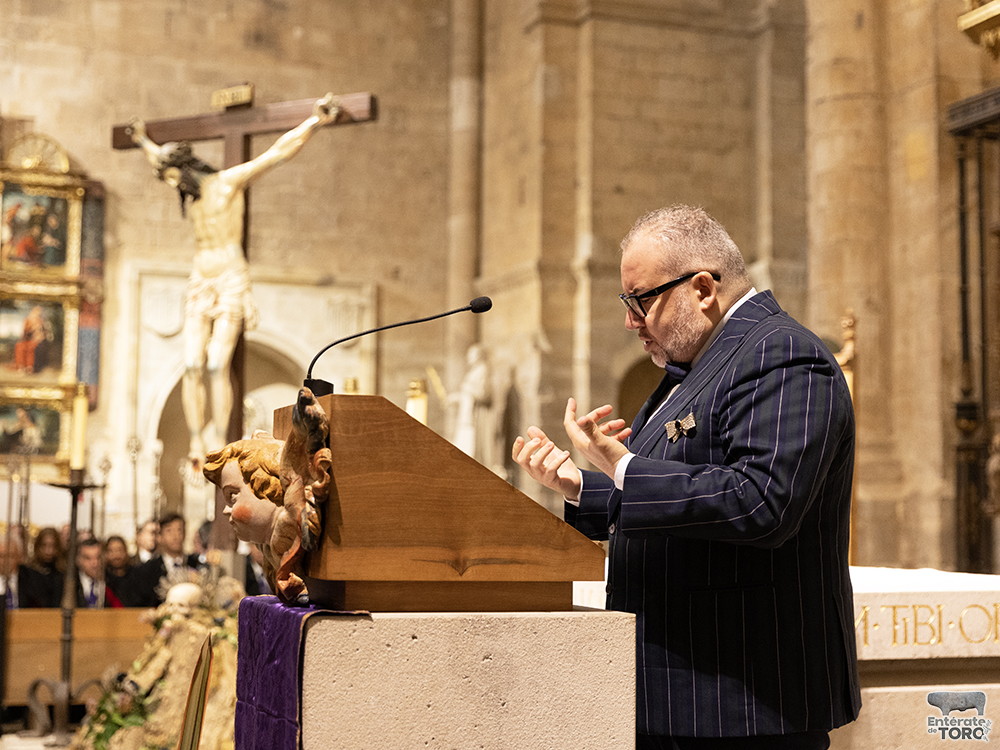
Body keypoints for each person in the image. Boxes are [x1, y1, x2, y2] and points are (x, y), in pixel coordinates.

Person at [512, 205, 860, 748]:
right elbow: (679, 489)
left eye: (641, 300)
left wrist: (622, 465)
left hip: (743, 698)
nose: (631, 321)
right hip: (684, 692)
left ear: (701, 288)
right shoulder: (703, 365)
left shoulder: (783, 355)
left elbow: (761, 502)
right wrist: (579, 485)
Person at [127, 94, 342, 471]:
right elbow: (157, 158)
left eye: (174, 177)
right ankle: (196, 439)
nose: (173, 185)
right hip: (200, 277)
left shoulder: (228, 183)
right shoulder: (191, 194)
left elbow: (275, 155)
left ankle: (219, 437)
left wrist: (314, 121)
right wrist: (142, 139)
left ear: (186, 168)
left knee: (215, 364)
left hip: (230, 277)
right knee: (191, 363)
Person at [126, 513, 190, 608]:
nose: (175, 536)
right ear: (159, 537)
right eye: (169, 531)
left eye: (179, 530)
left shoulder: (195, 565)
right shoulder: (145, 571)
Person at [18, 526, 64, 608]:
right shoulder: (27, 572)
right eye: (44, 545)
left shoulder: (63, 573)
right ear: (37, 546)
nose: (48, 551)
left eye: (52, 546)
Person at [75, 538, 122, 609]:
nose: (95, 563)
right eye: (88, 558)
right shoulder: (69, 583)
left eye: (98, 557)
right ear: (78, 560)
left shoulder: (113, 582)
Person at [102, 534, 134, 605]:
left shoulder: (135, 576)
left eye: (119, 550)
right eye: (111, 551)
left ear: (125, 552)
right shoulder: (103, 579)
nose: (116, 555)